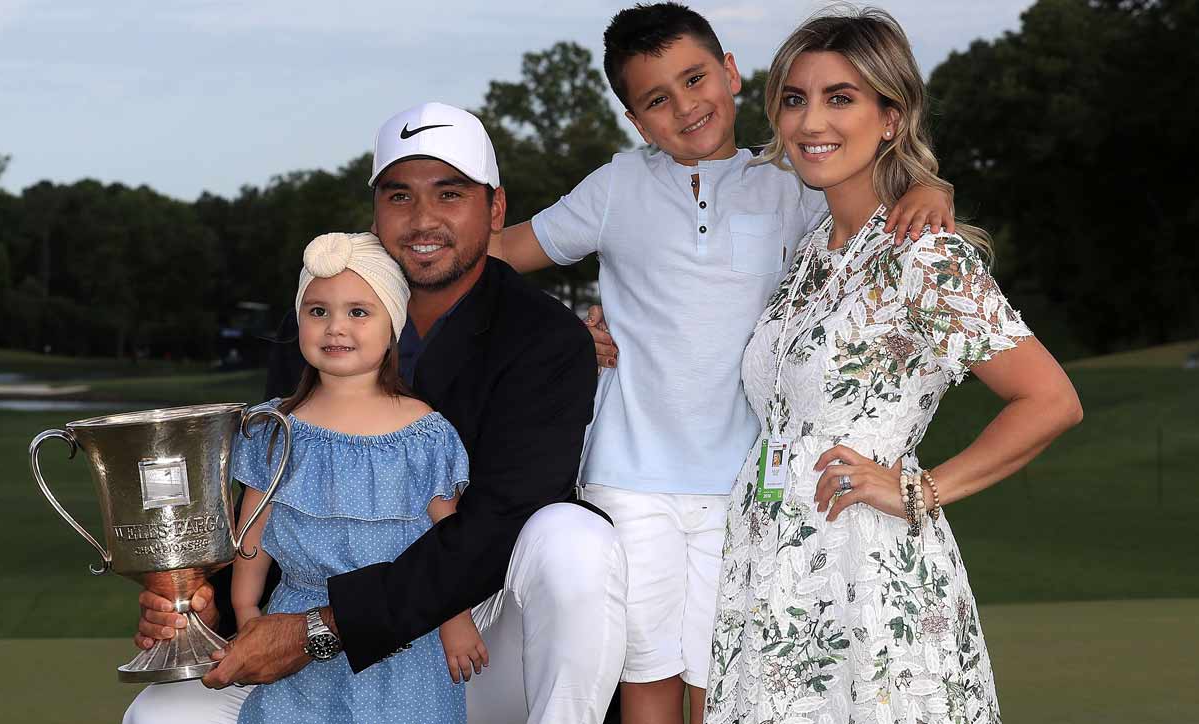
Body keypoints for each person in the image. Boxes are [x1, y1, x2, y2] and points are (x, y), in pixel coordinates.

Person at [488, 4, 953, 723]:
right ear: (635, 120)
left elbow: (881, 209)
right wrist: (563, 331)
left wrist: (934, 188)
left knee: (722, 680)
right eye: (656, 100)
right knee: (648, 678)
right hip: (629, 476)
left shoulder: (791, 184)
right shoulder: (614, 187)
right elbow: (493, 258)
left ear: (731, 72)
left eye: (696, 79)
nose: (685, 107)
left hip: (744, 484)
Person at [125, 103, 627, 724]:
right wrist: (202, 597)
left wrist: (319, 629)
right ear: (376, 211)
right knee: (161, 715)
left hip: (472, 639)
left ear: (495, 209)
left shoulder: (545, 338)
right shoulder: (316, 326)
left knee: (576, 541)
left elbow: (491, 531)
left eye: (450, 194)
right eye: (399, 196)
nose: (423, 220)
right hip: (311, 629)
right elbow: (270, 503)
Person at [702, 9, 1082, 723]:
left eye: (839, 97)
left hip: (868, 567)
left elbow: (1051, 399)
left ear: (890, 116)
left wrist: (922, 489)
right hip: (777, 565)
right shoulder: (813, 251)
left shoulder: (926, 256)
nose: (811, 120)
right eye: (794, 98)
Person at [225, 231, 476, 722]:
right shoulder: (275, 429)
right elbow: (251, 530)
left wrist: (456, 621)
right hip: (295, 625)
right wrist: (247, 613)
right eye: (318, 311)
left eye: (358, 312)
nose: (335, 326)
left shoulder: (422, 431)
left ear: (393, 326)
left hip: (405, 637)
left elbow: (449, 541)